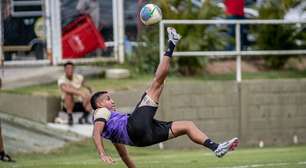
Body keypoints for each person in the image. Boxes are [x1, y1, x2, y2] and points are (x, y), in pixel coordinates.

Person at [90, 27, 239, 167]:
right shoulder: (100, 112)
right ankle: (172, 43)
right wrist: (102, 153)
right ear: (100, 104)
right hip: (135, 127)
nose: (112, 100)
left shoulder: (113, 129)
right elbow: (96, 133)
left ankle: (216, 147)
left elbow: (124, 156)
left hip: (141, 138)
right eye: (108, 99)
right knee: (157, 84)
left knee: (187, 125)